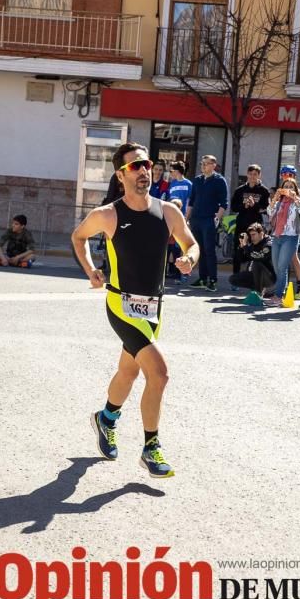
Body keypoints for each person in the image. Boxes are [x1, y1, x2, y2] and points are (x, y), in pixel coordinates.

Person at [72, 142, 199, 478]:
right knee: (159, 373)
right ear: (121, 174)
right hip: (121, 303)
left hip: (154, 306)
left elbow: (191, 242)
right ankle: (151, 447)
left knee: (128, 372)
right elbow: (78, 237)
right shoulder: (107, 214)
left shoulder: (168, 210)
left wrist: (190, 258)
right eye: (135, 166)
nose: (144, 170)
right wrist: (90, 271)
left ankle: (106, 418)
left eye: (147, 164)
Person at [186, 154, 228, 292]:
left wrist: (217, 219)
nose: (203, 166)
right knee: (200, 250)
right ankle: (202, 278)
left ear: (213, 165)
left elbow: (224, 203)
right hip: (196, 219)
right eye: (202, 164)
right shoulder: (197, 180)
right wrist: (186, 218)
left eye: (206, 164)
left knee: (209, 250)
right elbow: (191, 201)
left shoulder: (220, 180)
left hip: (209, 220)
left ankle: (213, 280)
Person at [266, 178, 300, 307]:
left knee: (282, 266)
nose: (288, 188)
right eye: (286, 186)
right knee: (276, 266)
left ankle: (278, 296)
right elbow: (270, 212)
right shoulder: (279, 202)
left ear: (295, 189)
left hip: (291, 237)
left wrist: (295, 199)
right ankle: (279, 293)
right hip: (277, 236)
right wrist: (275, 198)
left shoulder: (298, 201)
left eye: (291, 186)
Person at [230, 164, 270, 289]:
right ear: (247, 174)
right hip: (241, 225)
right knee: (238, 251)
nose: (253, 177)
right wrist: (244, 206)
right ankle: (235, 279)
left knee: (256, 252)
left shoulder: (264, 191)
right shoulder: (240, 190)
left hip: (256, 227)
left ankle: (255, 279)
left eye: (255, 174)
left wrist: (255, 206)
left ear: (259, 175)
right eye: (250, 174)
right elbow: (233, 207)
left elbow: (266, 209)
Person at [279, 165, 300, 300]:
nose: (286, 177)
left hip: (293, 231)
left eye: (289, 175)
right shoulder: (281, 192)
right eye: (284, 175)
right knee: (285, 258)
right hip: (281, 231)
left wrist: (294, 197)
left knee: (293, 256)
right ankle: (282, 286)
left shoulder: (297, 192)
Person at [229, 223, 276, 300]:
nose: (252, 237)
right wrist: (241, 246)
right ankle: (259, 290)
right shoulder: (253, 244)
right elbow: (242, 259)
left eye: (254, 234)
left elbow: (259, 257)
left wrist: (245, 247)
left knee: (257, 263)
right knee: (233, 279)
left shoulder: (269, 244)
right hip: (258, 275)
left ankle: (261, 292)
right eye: (250, 235)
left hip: (270, 278)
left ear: (261, 233)